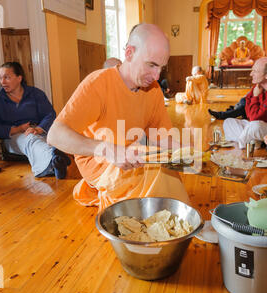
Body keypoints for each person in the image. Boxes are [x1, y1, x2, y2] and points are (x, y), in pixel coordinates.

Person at [46, 23, 190, 211]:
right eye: (152, 65)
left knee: (163, 167)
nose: (156, 76)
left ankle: (180, 220)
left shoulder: (153, 90)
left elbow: (160, 136)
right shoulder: (97, 83)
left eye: (161, 67)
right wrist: (108, 150)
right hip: (97, 162)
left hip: (130, 154)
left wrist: (188, 151)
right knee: (149, 173)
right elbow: (54, 135)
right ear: (129, 53)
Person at [0, 62, 71, 179]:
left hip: (39, 131)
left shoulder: (36, 94)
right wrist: (16, 129)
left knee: (56, 136)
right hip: (14, 137)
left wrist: (39, 128)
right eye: (0, 78)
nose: (2, 82)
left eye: (7, 77)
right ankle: (53, 160)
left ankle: (55, 161)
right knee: (30, 138)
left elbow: (49, 114)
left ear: (19, 78)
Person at [215, 57, 267, 148]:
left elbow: (253, 118)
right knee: (228, 122)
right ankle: (253, 142)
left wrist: (256, 97)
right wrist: (254, 101)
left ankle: (243, 146)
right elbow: (249, 114)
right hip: (260, 125)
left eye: (255, 71)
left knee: (254, 126)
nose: (251, 74)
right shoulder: (259, 85)